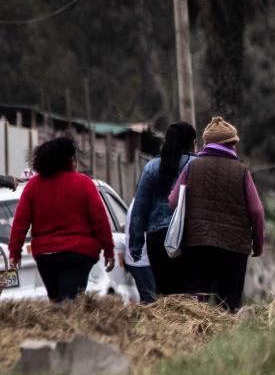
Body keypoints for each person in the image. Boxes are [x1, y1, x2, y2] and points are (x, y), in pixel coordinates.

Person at [167, 117, 264, 312]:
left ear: (207, 143)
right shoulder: (242, 171)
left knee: (196, 299)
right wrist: (258, 244)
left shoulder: (192, 167)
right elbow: (257, 211)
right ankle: (225, 339)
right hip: (234, 247)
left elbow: (173, 201)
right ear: (231, 144)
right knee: (229, 303)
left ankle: (197, 336)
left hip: (197, 243)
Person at [5, 137, 114, 303]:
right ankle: (69, 326)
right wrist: (108, 251)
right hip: (78, 253)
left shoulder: (33, 186)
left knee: (57, 300)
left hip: (46, 255)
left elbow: (20, 222)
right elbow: (100, 221)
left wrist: (15, 253)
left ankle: (61, 325)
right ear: (70, 160)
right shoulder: (84, 184)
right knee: (69, 301)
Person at [125, 120, 197, 302]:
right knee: (188, 293)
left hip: (157, 239)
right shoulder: (198, 165)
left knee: (164, 294)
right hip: (189, 238)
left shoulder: (151, 167)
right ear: (192, 142)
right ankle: (188, 328)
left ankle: (169, 330)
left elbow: (140, 208)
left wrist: (136, 244)